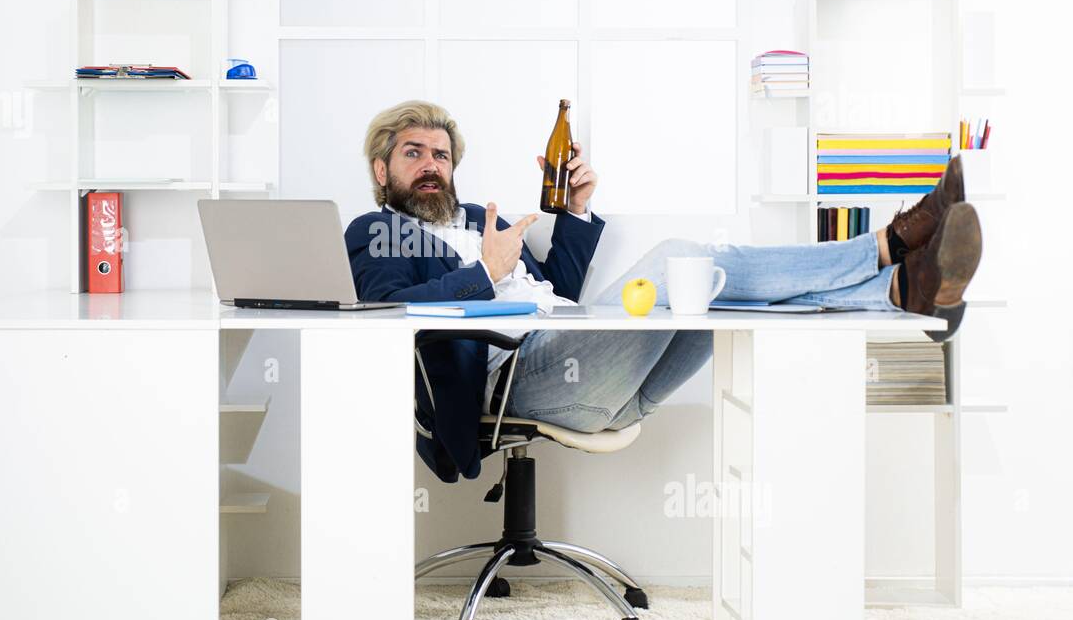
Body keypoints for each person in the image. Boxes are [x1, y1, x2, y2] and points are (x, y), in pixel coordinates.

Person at [344, 100, 982, 483]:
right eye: (413, 153)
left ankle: (899, 290)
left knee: (711, 291)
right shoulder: (377, 230)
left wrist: (578, 211)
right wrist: (483, 274)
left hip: (588, 352)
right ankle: (886, 245)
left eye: (441, 155)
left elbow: (561, 288)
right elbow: (381, 308)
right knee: (683, 259)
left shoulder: (485, 223)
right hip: (515, 376)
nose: (432, 164)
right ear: (382, 170)